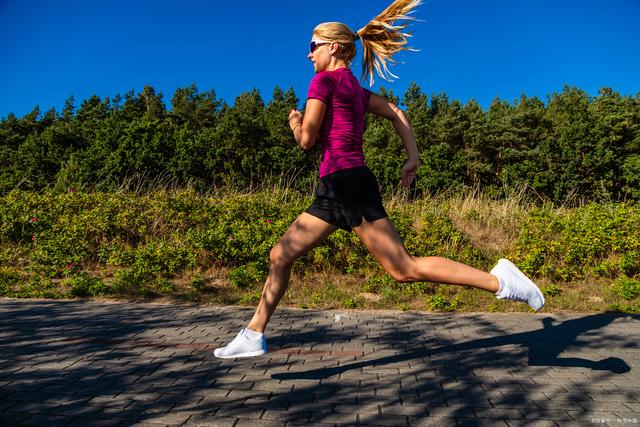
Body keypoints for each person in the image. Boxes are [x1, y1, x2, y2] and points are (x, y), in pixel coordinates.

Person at [214, 0, 544, 359]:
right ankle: (253, 333)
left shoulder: (323, 81)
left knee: (403, 268)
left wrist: (295, 122)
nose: (308, 55)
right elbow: (396, 112)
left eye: (312, 47)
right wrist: (412, 156)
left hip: (348, 183)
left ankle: (502, 282)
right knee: (281, 254)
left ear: (333, 47)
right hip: (336, 186)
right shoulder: (354, 88)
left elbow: (307, 141)